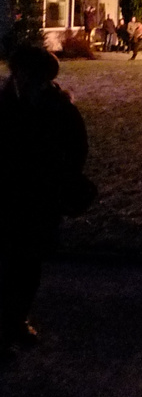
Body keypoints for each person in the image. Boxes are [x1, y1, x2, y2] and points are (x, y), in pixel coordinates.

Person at [0, 46, 89, 357]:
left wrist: (57, 179)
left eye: (29, 75)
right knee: (12, 265)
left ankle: (15, 321)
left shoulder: (59, 111)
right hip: (10, 199)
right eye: (19, 73)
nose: (22, 80)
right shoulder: (7, 105)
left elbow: (77, 150)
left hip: (38, 201)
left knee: (27, 266)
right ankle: (9, 326)